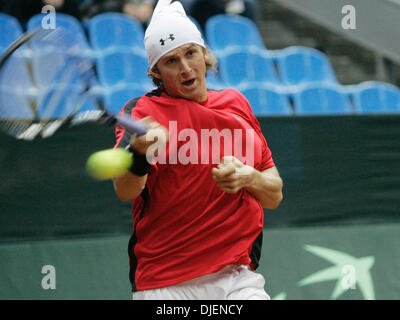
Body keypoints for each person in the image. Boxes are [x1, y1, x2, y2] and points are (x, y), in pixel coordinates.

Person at [113, 0, 283, 300]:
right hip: (165, 284)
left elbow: (274, 194)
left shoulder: (237, 105)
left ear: (205, 55)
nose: (186, 68)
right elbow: (125, 190)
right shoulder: (142, 112)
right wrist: (139, 154)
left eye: (190, 53)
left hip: (236, 278)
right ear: (156, 73)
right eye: (171, 61)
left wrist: (248, 178)